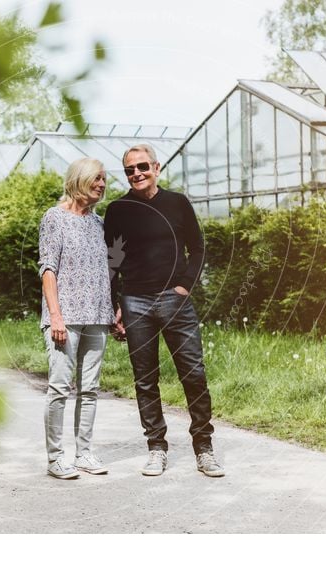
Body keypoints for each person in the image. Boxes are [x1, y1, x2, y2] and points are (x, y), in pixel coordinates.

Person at [104, 144, 225, 478]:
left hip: (176, 300)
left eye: (142, 166)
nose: (137, 174)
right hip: (135, 302)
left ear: (156, 167)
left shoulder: (177, 203)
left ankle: (204, 448)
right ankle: (156, 447)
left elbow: (198, 248)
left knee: (194, 373)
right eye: (129, 169)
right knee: (145, 379)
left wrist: (185, 286)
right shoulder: (118, 210)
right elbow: (112, 261)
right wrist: (115, 304)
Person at [38, 158, 115, 479]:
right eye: (96, 179)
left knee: (90, 390)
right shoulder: (54, 218)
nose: (102, 185)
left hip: (98, 316)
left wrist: (115, 310)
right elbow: (48, 268)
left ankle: (84, 453)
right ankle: (56, 458)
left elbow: (106, 271)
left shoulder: (99, 224)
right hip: (65, 319)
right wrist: (55, 315)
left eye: (103, 180)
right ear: (80, 180)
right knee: (59, 388)